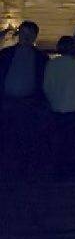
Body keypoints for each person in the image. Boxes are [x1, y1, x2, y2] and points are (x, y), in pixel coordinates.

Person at [0, 21, 49, 176]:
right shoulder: (5, 54)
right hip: (7, 101)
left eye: (29, 34)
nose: (26, 37)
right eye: (23, 33)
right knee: (7, 136)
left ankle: (24, 168)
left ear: (35, 36)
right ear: (19, 34)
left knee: (26, 137)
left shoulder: (41, 58)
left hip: (29, 102)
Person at [42, 36, 75, 179]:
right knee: (71, 140)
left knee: (59, 138)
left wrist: (52, 101)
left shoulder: (51, 64)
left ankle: (59, 167)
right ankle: (70, 167)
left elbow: (46, 86)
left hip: (57, 107)